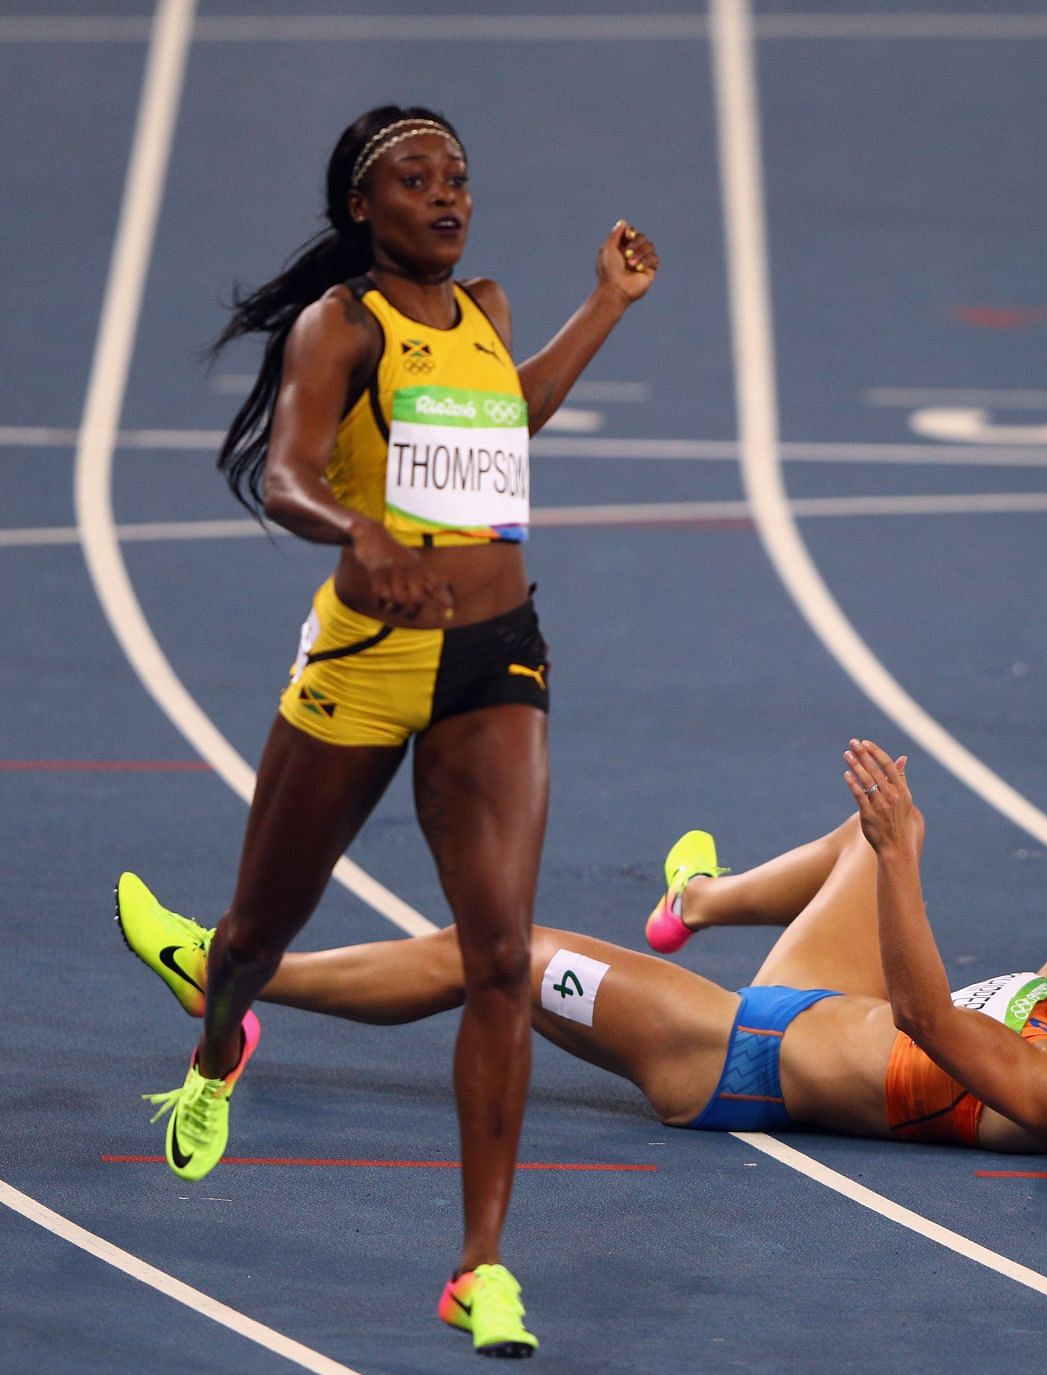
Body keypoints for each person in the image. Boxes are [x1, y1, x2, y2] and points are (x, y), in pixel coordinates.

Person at [130, 105, 659, 1355]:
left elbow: (504, 427)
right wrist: (355, 531)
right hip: (367, 662)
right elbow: (287, 476)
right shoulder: (342, 325)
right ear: (362, 210)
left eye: (458, 176)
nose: (446, 195)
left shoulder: (487, 308)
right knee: (259, 932)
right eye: (414, 179)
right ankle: (218, 1043)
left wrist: (607, 305)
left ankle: (480, 1265)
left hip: (495, 655)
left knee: (500, 959)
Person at [118, 740, 1047, 1187]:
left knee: (492, 951)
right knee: (866, 835)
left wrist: (908, 861)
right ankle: (693, 900)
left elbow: (922, 1006)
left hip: (727, 1058)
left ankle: (233, 980)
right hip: (818, 1004)